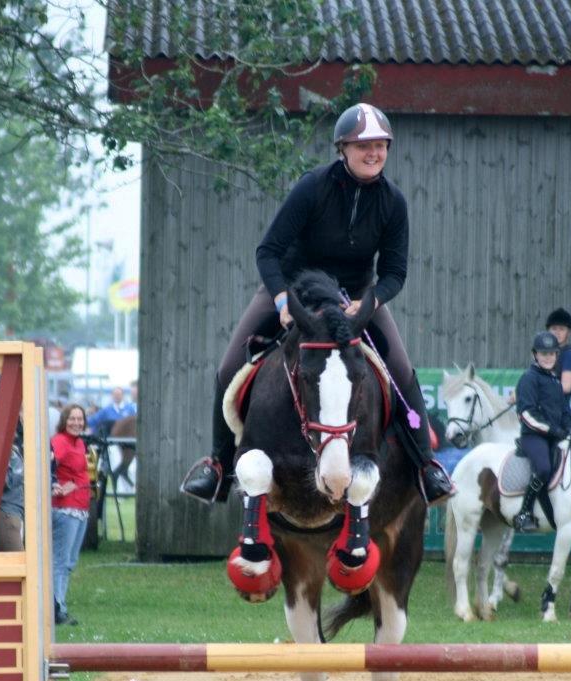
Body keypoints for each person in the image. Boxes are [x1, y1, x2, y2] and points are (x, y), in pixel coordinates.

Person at [181, 103, 454, 507]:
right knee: (227, 368)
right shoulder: (313, 187)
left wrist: (369, 301)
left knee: (400, 370)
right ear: (342, 148)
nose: (373, 153)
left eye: (380, 145)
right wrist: (281, 300)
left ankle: (426, 467)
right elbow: (268, 251)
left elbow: (395, 272)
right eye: (364, 146)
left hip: (355, 296)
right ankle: (219, 466)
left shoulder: (394, 203)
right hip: (295, 289)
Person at [513, 331, 571, 533]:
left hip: (554, 436)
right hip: (533, 437)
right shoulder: (529, 379)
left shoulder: (556, 382)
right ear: (535, 355)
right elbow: (526, 414)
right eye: (543, 353)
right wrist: (553, 429)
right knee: (543, 469)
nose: (548, 357)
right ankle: (524, 513)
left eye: (551, 353)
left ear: (557, 355)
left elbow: (564, 410)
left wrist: (569, 424)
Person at [51, 403, 91, 625]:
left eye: (80, 419)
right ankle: (56, 608)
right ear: (64, 420)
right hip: (66, 509)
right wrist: (54, 484)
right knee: (60, 561)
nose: (77, 423)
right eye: (72, 419)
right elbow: (48, 462)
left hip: (80, 509)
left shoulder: (80, 443)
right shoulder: (60, 441)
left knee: (70, 562)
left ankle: (60, 604)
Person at [546, 308, 571, 417]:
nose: (557, 332)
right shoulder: (543, 354)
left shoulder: (569, 355)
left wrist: (537, 389)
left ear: (569, 332)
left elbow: (566, 387)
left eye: (561, 329)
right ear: (548, 331)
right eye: (554, 328)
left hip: (559, 413)